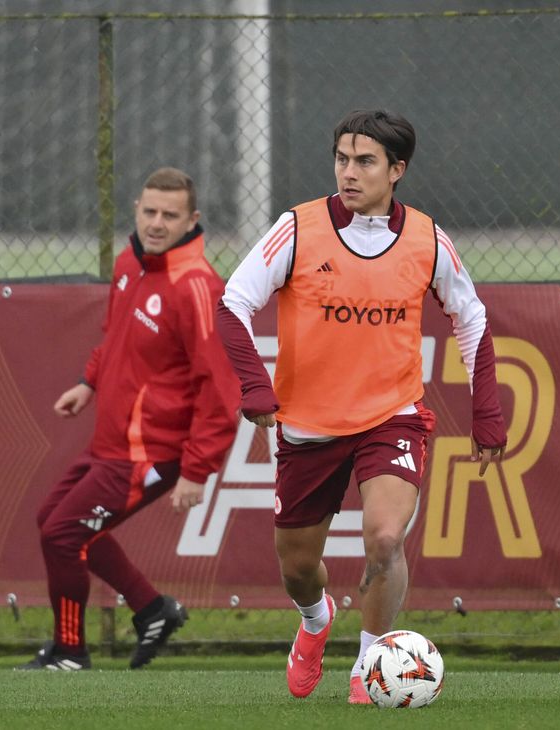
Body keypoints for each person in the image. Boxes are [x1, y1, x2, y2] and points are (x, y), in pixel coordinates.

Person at [215, 110, 506, 703]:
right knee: (297, 567)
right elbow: (231, 304)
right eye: (342, 159)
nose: (350, 172)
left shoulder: (427, 238)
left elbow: (470, 316)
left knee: (383, 537)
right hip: (307, 425)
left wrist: (487, 413)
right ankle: (315, 619)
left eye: (365, 162)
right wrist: (254, 385)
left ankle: (371, 664)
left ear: (397, 170)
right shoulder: (297, 228)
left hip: (391, 415)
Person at [20, 167, 239, 671]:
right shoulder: (129, 262)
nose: (157, 223)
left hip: (151, 453)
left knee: (64, 534)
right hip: (110, 443)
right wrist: (88, 382)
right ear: (136, 209)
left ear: (192, 220)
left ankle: (70, 651)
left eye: (170, 215)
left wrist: (196, 471)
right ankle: (151, 608)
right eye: (149, 211)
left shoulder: (197, 287)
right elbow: (114, 334)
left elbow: (220, 392)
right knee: (52, 523)